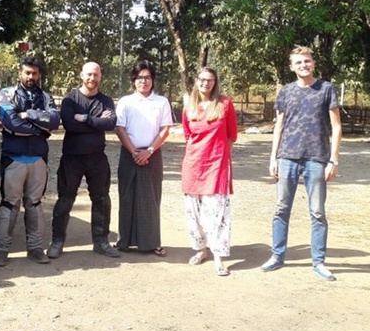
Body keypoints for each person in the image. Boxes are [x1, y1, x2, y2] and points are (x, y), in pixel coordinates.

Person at [261, 47, 342, 281]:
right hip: (287, 157)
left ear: (313, 63)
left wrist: (333, 160)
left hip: (317, 158)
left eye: (307, 61)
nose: (303, 65)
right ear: (292, 67)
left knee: (317, 212)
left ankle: (319, 261)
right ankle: (277, 256)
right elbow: (279, 126)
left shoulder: (326, 89)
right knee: (281, 209)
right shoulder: (286, 91)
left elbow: (336, 127)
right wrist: (273, 157)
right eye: (299, 62)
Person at [0, 56, 60, 267]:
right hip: (13, 158)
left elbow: (56, 121)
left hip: (38, 159)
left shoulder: (47, 97)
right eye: (27, 72)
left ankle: (36, 248)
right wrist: (41, 128)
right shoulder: (7, 94)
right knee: (9, 204)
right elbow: (10, 121)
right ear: (20, 73)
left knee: (35, 204)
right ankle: (1, 250)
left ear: (39, 75)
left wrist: (28, 114)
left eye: (35, 73)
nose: (31, 77)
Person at [47, 62, 120, 259]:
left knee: (102, 199)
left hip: (98, 158)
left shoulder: (106, 100)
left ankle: (101, 242)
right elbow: (70, 125)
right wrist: (97, 122)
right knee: (65, 199)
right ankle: (57, 241)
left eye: (96, 75)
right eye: (88, 74)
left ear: (100, 76)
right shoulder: (71, 99)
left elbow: (111, 123)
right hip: (72, 158)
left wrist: (86, 118)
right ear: (81, 75)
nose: (92, 78)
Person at [181, 67, 238, 276]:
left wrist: (220, 157)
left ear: (215, 82)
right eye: (202, 80)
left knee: (217, 213)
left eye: (210, 80)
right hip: (193, 165)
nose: (206, 84)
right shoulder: (189, 106)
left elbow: (232, 135)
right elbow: (188, 135)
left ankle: (219, 257)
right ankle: (201, 249)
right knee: (193, 213)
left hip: (217, 165)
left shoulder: (225, 104)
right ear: (196, 81)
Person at [114, 60, 172, 256]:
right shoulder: (125, 102)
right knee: (127, 197)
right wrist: (133, 152)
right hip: (129, 153)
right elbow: (119, 128)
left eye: (147, 78)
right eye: (140, 78)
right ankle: (124, 242)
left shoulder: (161, 102)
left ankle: (152, 242)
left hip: (152, 155)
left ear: (153, 80)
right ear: (134, 81)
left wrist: (149, 150)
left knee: (151, 199)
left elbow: (165, 130)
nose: (144, 81)